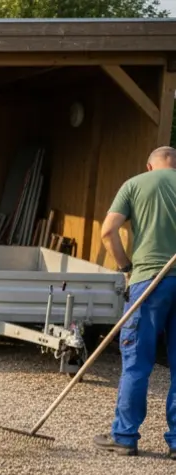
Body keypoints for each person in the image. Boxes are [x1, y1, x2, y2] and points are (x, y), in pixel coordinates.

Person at [94, 146, 176, 458]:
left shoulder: (135, 184)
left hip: (149, 281)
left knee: (137, 363)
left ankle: (125, 437)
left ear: (149, 165)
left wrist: (125, 266)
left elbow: (108, 231)